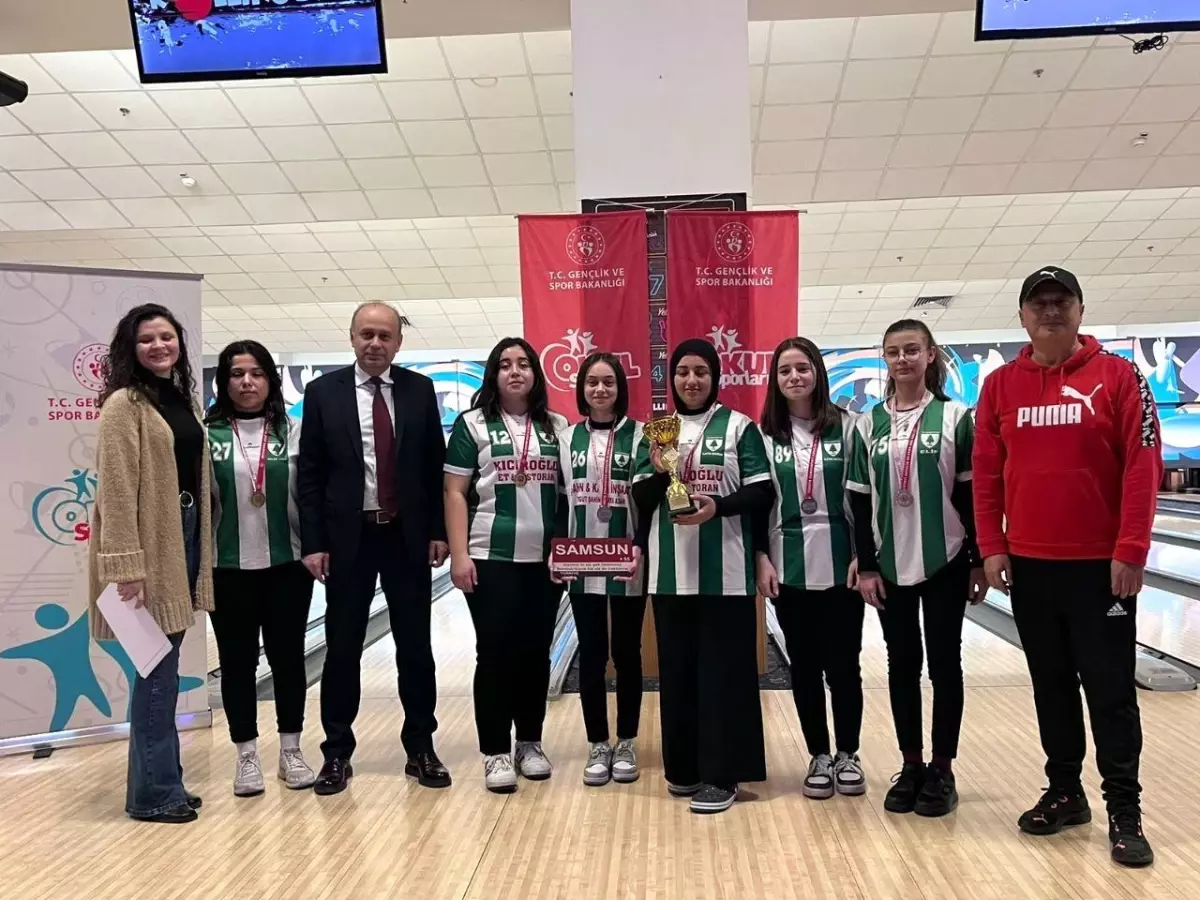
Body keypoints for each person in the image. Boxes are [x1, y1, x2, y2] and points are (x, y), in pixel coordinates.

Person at [974, 267, 1160, 868]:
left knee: (1109, 693)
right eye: (1039, 303)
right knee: (1051, 688)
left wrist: (1131, 548)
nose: (1050, 311)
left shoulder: (1120, 376)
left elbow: (1142, 465)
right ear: (1023, 316)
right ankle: (1065, 792)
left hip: (1100, 569)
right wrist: (991, 545)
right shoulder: (1000, 386)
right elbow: (987, 474)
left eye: (1061, 302)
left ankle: (1124, 810)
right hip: (1030, 565)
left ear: (1080, 311)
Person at [297, 302, 449, 796]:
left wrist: (438, 531)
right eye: (367, 334)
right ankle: (337, 752)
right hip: (348, 541)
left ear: (398, 343)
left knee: (415, 648)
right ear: (352, 338)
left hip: (404, 536)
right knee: (341, 650)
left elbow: (432, 467)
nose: (375, 343)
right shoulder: (323, 394)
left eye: (385, 336)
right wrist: (315, 543)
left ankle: (421, 747)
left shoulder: (418, 390)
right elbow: (312, 476)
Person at [846, 319, 986, 818]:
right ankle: (911, 765)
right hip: (888, 564)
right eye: (893, 352)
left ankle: (942, 769)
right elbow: (859, 502)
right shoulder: (867, 424)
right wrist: (865, 566)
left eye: (911, 350)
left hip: (946, 560)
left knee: (946, 665)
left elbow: (970, 493)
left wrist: (976, 559)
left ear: (930, 356)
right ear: (884, 360)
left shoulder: (956, 418)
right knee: (902, 665)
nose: (902, 359)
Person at [632, 338, 774, 815]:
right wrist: (656, 472)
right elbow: (642, 498)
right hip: (670, 577)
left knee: (723, 675)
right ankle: (684, 769)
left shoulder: (740, 428)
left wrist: (718, 508)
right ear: (671, 379)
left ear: (716, 377)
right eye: (682, 372)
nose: (691, 380)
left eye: (700, 372)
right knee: (676, 675)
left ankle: (723, 774)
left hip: (726, 574)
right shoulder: (656, 429)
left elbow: (760, 493)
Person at [89, 303, 213, 824]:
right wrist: (125, 565)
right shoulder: (124, 404)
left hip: (180, 536)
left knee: (163, 667)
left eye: (166, 337)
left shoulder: (177, 399)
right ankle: (153, 794)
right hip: (151, 547)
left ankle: (166, 783)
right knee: (158, 673)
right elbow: (115, 491)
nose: (158, 346)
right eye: (146, 340)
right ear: (130, 349)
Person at [444, 337, 569, 794]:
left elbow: (568, 496)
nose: (514, 371)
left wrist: (566, 551)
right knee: (495, 654)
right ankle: (495, 750)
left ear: (536, 373)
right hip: (489, 556)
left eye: (523, 364)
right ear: (493, 374)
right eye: (504, 365)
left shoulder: (557, 425)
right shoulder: (472, 424)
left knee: (536, 654)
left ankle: (530, 743)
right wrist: (459, 555)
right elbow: (455, 492)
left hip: (543, 562)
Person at [754, 337, 865, 800]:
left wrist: (867, 554)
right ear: (775, 381)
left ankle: (848, 753)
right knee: (804, 667)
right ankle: (818, 753)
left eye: (802, 368)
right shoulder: (764, 436)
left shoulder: (851, 426)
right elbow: (759, 506)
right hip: (790, 565)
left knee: (844, 667)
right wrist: (761, 557)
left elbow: (865, 496)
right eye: (784, 371)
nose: (794, 377)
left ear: (817, 372)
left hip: (844, 565)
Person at [206, 340, 316, 797]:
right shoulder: (205, 435)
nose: (246, 382)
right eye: (236, 374)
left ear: (270, 379)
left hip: (286, 565)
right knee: (236, 664)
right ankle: (246, 755)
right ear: (224, 381)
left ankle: (291, 749)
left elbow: (311, 496)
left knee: (289, 660)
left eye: (256, 373)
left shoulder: (294, 430)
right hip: (225, 567)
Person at [556, 353, 646, 787]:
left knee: (627, 654)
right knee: (592, 655)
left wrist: (644, 548)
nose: (600, 390)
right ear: (582, 389)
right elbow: (559, 500)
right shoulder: (567, 437)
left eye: (608, 382)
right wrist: (556, 554)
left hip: (627, 557)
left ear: (619, 388)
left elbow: (648, 500)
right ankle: (598, 742)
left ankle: (626, 740)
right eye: (592, 382)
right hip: (581, 559)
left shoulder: (643, 436)